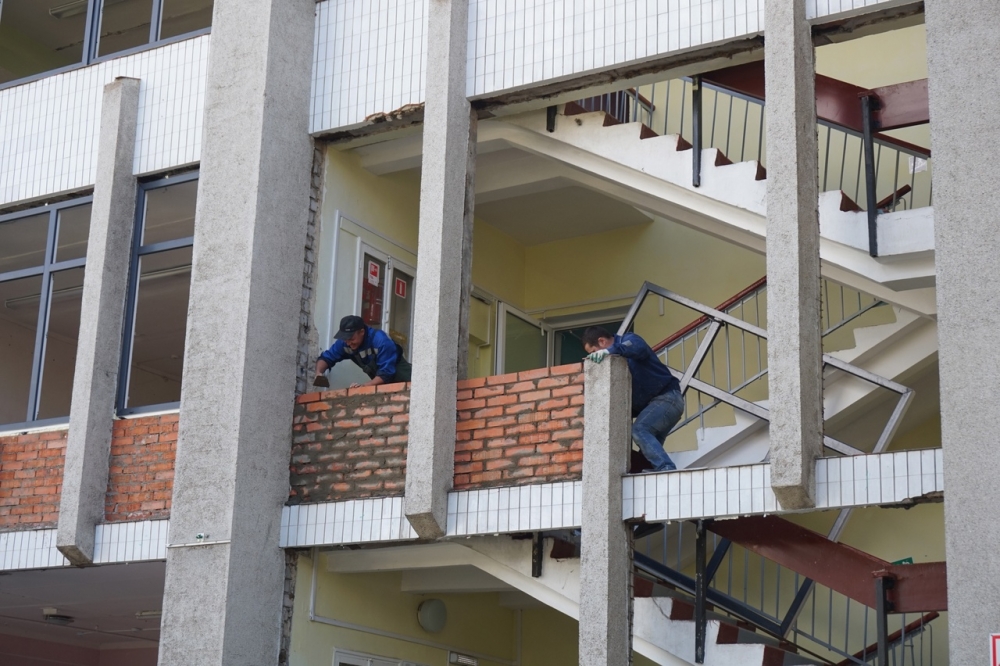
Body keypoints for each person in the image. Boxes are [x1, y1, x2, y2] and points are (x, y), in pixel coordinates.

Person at [582, 326, 684, 472]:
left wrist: (608, 351)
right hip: (663, 403)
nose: (594, 356)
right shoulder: (618, 356)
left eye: (593, 351)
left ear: (602, 341)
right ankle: (656, 471)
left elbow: (637, 347)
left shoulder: (629, 340)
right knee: (649, 442)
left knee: (640, 430)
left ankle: (666, 468)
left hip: (668, 398)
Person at [313, 315, 412, 388]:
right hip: (385, 385)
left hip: (406, 380)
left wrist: (364, 387)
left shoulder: (381, 340)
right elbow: (326, 358)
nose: (348, 343)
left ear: (362, 332)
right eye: (345, 339)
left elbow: (386, 373)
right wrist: (318, 373)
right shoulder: (345, 343)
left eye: (351, 339)